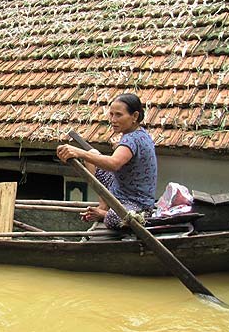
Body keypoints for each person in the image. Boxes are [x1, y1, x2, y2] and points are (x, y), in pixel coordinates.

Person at [57, 93, 157, 230]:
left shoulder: (131, 139)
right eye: (111, 114)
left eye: (119, 115)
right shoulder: (139, 133)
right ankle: (103, 205)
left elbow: (113, 164)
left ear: (134, 116)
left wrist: (79, 152)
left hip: (137, 203)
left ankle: (103, 213)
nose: (113, 120)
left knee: (113, 219)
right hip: (119, 188)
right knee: (93, 155)